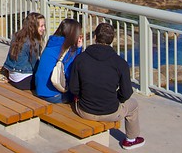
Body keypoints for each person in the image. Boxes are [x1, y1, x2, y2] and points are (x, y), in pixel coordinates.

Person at [69, 22, 144, 150]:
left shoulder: (80, 59)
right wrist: (116, 98)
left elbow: (74, 88)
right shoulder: (120, 63)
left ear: (95, 37)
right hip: (110, 110)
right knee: (133, 105)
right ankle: (131, 139)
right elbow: (126, 93)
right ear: (112, 39)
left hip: (85, 110)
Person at [34, 18, 83, 102]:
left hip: (40, 88)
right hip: (52, 94)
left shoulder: (52, 42)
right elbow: (71, 72)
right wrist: (78, 49)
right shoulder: (68, 49)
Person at [3, 12, 45, 90]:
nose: (44, 28)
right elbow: (35, 65)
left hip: (12, 76)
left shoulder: (17, 35)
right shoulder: (33, 42)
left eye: (44, 26)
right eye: (41, 26)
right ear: (33, 27)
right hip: (23, 81)